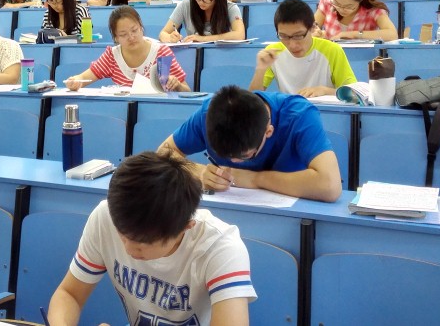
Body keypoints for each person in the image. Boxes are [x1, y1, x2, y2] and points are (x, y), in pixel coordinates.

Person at [47, 151, 256, 325]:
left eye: (143, 244)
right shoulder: (106, 216)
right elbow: (69, 295)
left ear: (185, 227)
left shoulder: (221, 248)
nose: (128, 249)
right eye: (122, 235)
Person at [158, 86, 342, 202]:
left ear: (268, 131)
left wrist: (256, 179)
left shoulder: (300, 115)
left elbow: (330, 186)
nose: (234, 162)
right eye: (224, 155)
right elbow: (164, 152)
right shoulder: (209, 113)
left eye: (245, 155)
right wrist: (199, 171)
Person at [66, 6, 190, 92]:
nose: (131, 37)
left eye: (134, 30)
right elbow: (84, 77)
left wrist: (177, 85)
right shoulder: (112, 55)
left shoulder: (161, 52)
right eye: (123, 34)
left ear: (141, 27)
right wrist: (75, 81)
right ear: (116, 37)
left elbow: (187, 91)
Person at [249, 0, 356, 97]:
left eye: (298, 36)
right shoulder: (273, 53)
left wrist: (325, 91)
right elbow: (254, 100)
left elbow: (354, 94)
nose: (292, 45)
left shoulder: (332, 50)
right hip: (289, 110)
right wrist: (260, 69)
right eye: (283, 36)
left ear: (313, 28)